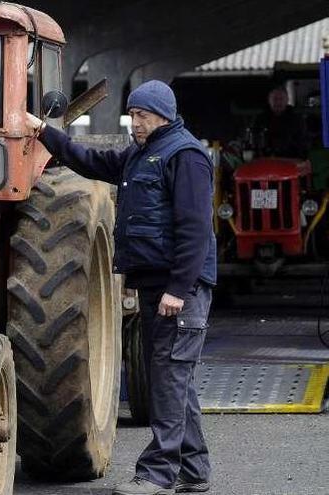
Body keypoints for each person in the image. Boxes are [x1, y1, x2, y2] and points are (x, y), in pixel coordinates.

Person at [28, 80, 216, 495]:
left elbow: (195, 230)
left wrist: (178, 289)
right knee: (173, 377)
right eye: (134, 116)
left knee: (168, 378)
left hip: (177, 289)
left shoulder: (185, 156)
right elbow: (92, 161)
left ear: (163, 114)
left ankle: (157, 473)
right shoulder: (141, 154)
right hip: (154, 283)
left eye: (143, 116)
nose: (136, 124)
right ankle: (194, 468)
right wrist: (45, 133)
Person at [251, 86, 308, 158]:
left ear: (287, 100)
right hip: (265, 159)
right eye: (275, 99)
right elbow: (255, 140)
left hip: (290, 160)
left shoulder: (297, 120)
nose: (278, 102)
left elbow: (302, 144)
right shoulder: (260, 119)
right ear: (269, 100)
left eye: (281, 99)